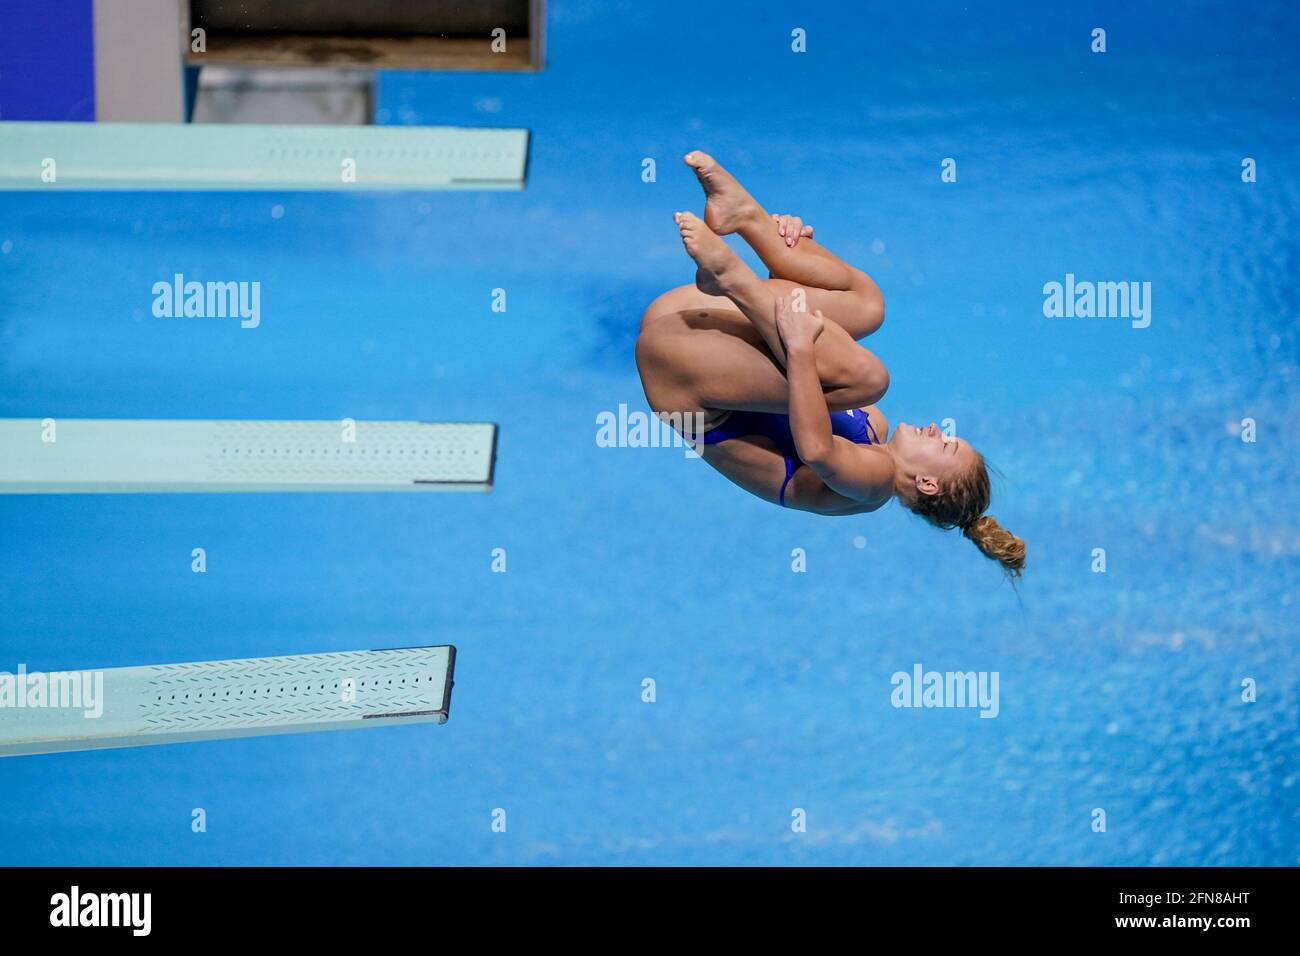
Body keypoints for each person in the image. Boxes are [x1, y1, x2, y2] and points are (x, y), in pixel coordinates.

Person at [635, 152, 1025, 576]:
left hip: (678, 372)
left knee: (870, 377)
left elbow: (817, 448)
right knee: (869, 307)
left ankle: (733, 276)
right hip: (695, 336)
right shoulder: (872, 427)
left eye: (944, 443)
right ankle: (750, 219)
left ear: (927, 484)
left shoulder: (874, 483)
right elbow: (782, 356)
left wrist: (801, 347)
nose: (936, 428)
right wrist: (793, 244)